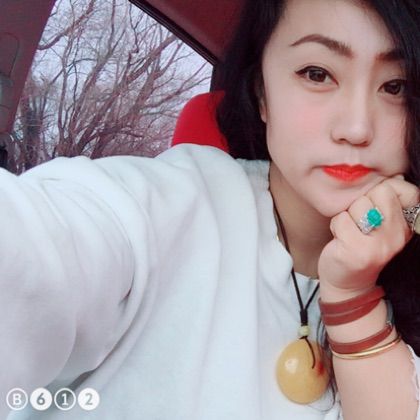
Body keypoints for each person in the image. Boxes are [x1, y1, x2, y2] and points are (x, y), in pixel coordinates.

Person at [2, 0, 420, 418]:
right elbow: (34, 249)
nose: (356, 128)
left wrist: (353, 300)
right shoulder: (164, 209)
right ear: (262, 93)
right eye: (317, 74)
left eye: (395, 86)